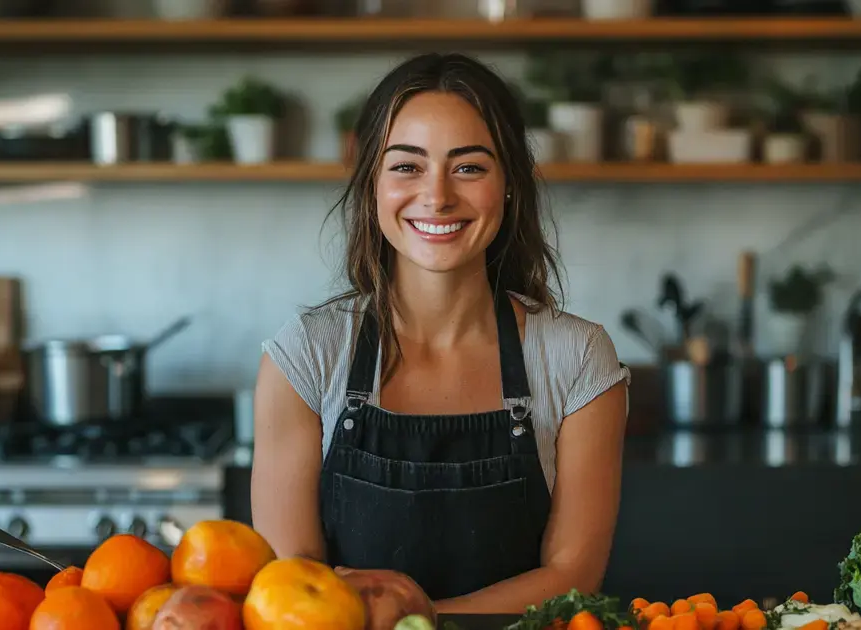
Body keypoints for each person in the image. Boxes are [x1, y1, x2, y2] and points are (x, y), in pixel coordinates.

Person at [252, 52, 630, 615]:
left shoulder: (577, 361)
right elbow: (292, 586)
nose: (437, 196)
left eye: (469, 167)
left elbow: (573, 577)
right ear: (373, 184)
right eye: (407, 166)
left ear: (508, 184)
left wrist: (416, 618)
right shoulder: (306, 358)